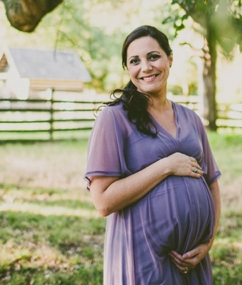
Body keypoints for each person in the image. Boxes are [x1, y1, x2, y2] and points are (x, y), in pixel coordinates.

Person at [85, 25, 222, 284]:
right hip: (142, 259)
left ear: (169, 59)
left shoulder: (191, 119)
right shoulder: (114, 119)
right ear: (127, 69)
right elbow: (103, 201)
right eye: (134, 61)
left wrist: (208, 242)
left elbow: (211, 183)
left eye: (153, 56)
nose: (145, 67)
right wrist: (166, 166)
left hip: (193, 262)